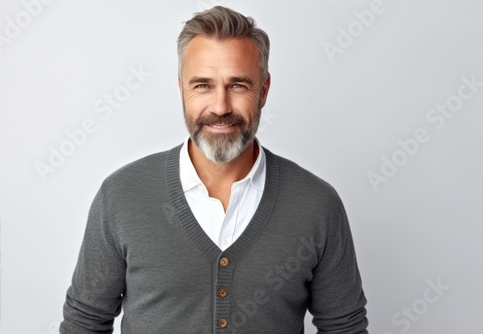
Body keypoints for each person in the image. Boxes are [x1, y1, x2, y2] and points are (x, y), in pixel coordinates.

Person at [60, 6, 368, 334]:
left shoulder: (317, 205)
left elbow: (344, 329)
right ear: (182, 89)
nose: (220, 107)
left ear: (263, 91)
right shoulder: (122, 196)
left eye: (237, 85)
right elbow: (85, 323)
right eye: (203, 85)